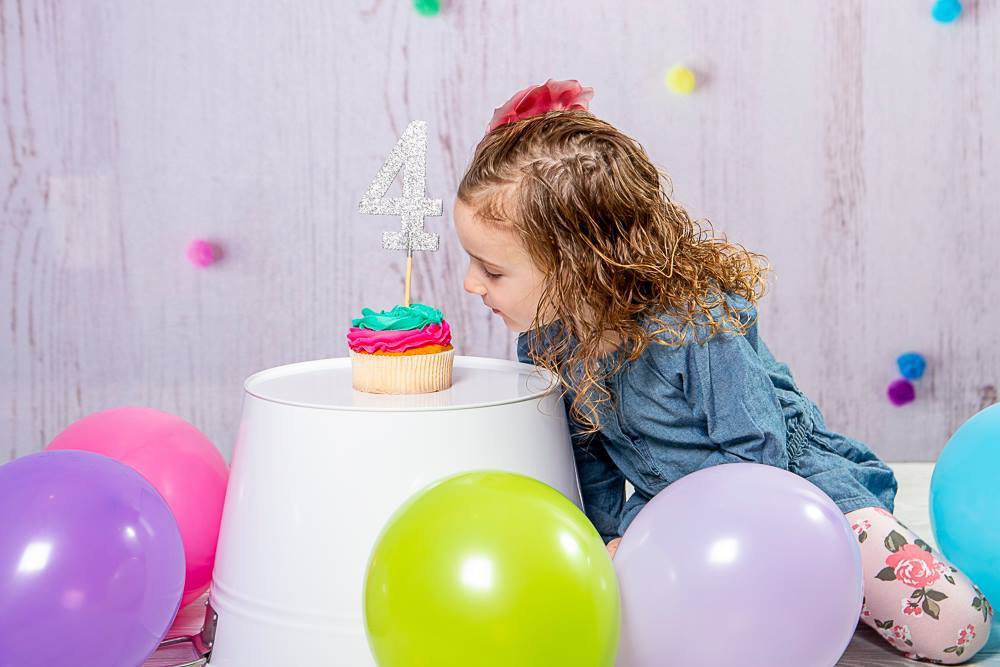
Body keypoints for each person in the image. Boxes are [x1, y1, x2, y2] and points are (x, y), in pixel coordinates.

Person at [451, 78, 992, 663]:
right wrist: (606, 541)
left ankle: (850, 596)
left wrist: (752, 557)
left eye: (493, 271)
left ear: (581, 265)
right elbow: (591, 459)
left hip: (792, 491)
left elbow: (760, 451)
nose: (471, 284)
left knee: (959, 632)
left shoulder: (693, 326)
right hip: (669, 506)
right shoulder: (547, 343)